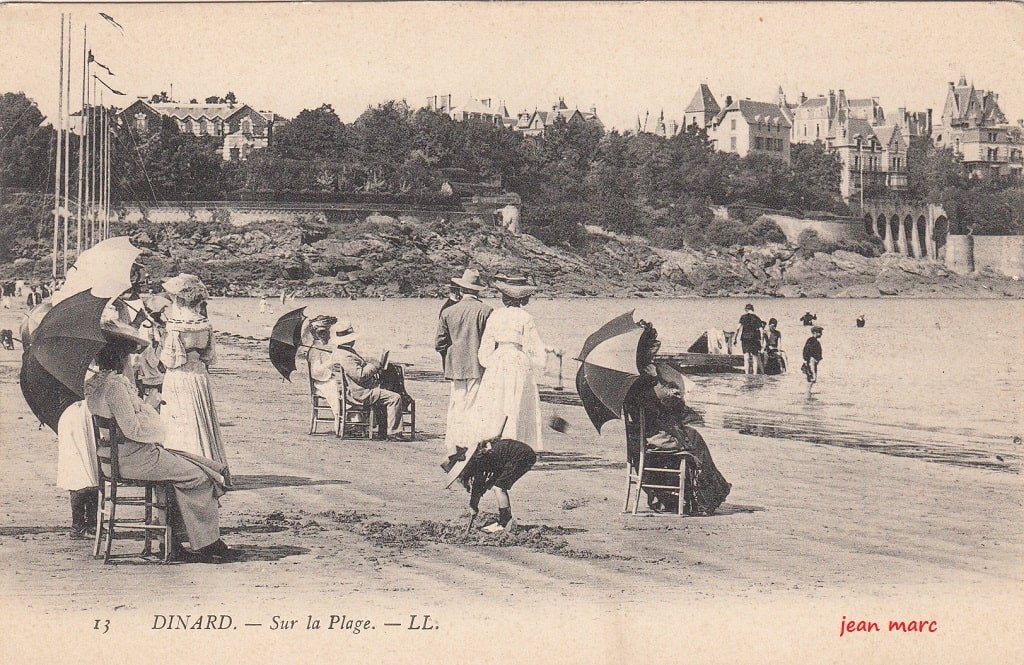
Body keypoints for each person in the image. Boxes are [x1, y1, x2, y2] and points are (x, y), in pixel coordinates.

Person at [85, 340, 240, 563]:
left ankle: (173, 542)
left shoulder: (95, 384)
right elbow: (134, 429)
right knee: (200, 476)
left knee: (198, 463)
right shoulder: (115, 387)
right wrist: (151, 407)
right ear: (121, 359)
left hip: (115, 458)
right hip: (135, 459)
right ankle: (207, 543)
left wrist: (144, 409)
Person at [626, 322, 731, 516]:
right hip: (658, 438)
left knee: (691, 435)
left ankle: (676, 497)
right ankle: (703, 499)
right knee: (695, 439)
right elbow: (670, 400)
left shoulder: (626, 379)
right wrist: (656, 377)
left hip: (638, 441)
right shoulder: (646, 378)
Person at [159, 274, 230, 475]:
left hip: (179, 376)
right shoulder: (204, 323)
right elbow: (209, 356)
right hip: (199, 375)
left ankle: (186, 467)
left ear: (179, 299)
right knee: (200, 418)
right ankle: (207, 463)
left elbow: (169, 360)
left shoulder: (175, 325)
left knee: (181, 420)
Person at [474, 276, 550, 452]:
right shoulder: (526, 317)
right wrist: (540, 361)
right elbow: (533, 346)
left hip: (499, 359)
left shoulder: (496, 315)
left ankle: (491, 443)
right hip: (517, 360)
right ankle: (515, 443)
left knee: (495, 402)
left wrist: (489, 362)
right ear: (524, 298)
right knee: (517, 402)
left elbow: (485, 346)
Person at [435, 269, 492, 456]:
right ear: (477, 290)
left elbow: (439, 343)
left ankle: (454, 442)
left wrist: (450, 353)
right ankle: (470, 441)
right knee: (475, 404)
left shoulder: (448, 311)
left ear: (461, 288)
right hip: (478, 364)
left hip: (455, 365)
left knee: (457, 404)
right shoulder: (487, 311)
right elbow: (491, 341)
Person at [331, 320, 408, 440]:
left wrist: (369, 363)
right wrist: (375, 365)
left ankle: (384, 429)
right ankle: (394, 432)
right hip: (361, 392)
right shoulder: (346, 356)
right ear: (350, 340)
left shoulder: (343, 352)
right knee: (395, 397)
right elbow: (360, 376)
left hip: (357, 389)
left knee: (389, 387)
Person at [443, 436, 536, 534]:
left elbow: (478, 485)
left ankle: (505, 523)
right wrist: (474, 504)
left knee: (499, 487)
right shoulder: (478, 456)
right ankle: (505, 521)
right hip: (519, 455)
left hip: (521, 455)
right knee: (497, 485)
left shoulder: (479, 460)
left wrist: (473, 505)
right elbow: (481, 482)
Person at [307, 315, 342, 430]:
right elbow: (315, 372)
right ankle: (342, 423)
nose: (329, 335)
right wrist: (331, 363)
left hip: (327, 379)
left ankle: (351, 420)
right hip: (322, 383)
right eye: (326, 333)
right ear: (320, 334)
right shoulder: (315, 350)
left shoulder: (322, 347)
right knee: (340, 390)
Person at [735, 303, 765, 374]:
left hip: (745, 338)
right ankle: (754, 374)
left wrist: (735, 338)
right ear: (753, 309)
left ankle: (747, 374)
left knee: (746, 357)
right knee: (755, 357)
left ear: (746, 310)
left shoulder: (743, 317)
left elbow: (738, 328)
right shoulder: (757, 318)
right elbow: (762, 331)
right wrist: (761, 341)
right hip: (754, 338)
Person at [802, 325, 824, 395]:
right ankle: (807, 393)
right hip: (811, 361)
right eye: (819, 332)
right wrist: (806, 360)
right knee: (812, 378)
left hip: (813, 361)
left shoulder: (813, 340)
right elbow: (806, 350)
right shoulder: (811, 340)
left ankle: (808, 392)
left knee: (812, 378)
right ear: (815, 332)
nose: (821, 334)